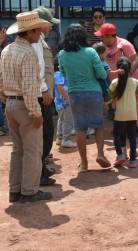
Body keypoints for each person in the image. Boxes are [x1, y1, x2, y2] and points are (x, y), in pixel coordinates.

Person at [0, 11, 53, 202]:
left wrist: (7, 100)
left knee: (17, 149)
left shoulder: (7, 50)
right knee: (32, 150)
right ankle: (29, 191)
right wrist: (35, 112)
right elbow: (30, 89)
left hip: (11, 104)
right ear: (29, 32)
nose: (40, 34)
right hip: (24, 105)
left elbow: (1, 80)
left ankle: (15, 190)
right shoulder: (28, 53)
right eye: (37, 30)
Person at [58, 24, 110, 173]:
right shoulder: (91, 52)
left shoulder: (62, 54)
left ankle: (84, 163)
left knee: (80, 128)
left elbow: (62, 72)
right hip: (94, 93)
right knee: (98, 125)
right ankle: (100, 154)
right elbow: (102, 75)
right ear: (83, 36)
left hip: (75, 93)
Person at [33, 6, 61, 186]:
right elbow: (38, 70)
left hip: (44, 94)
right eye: (49, 23)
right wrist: (45, 91)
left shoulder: (40, 40)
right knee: (43, 134)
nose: (51, 27)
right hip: (40, 95)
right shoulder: (35, 42)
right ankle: (39, 173)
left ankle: (41, 168)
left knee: (46, 133)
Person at [109, 57, 138, 168]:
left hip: (119, 114)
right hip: (133, 114)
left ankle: (120, 155)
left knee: (117, 135)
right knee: (132, 138)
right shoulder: (136, 82)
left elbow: (110, 96)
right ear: (129, 69)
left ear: (118, 69)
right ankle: (132, 161)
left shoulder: (114, 82)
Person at [54, 62, 76, 148]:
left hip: (59, 103)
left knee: (61, 120)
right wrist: (67, 98)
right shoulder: (60, 75)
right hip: (65, 103)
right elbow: (60, 87)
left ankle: (59, 138)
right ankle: (66, 139)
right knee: (68, 121)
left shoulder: (57, 74)